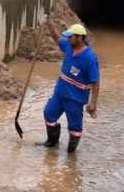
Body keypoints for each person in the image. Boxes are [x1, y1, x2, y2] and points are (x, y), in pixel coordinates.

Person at [37, 23, 100, 153]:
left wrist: (93, 103)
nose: (68, 39)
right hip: (60, 93)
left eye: (71, 37)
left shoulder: (90, 58)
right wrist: (50, 25)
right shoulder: (69, 47)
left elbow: (95, 81)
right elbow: (57, 39)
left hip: (75, 99)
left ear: (80, 38)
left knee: (75, 127)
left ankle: (71, 154)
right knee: (48, 113)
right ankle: (52, 142)